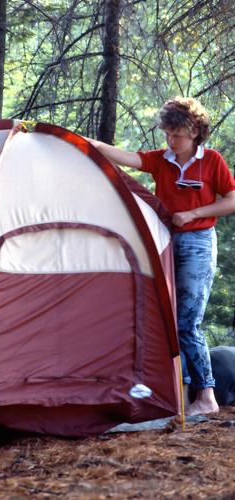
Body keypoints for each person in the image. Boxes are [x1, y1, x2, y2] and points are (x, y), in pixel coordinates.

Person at [87, 97, 235, 416]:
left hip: (198, 242)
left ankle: (206, 397)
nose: (171, 140)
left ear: (194, 131)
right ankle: (174, 392)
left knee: (188, 322)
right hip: (164, 242)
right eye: (167, 133)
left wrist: (194, 212)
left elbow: (231, 199)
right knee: (163, 316)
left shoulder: (211, 161)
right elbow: (125, 157)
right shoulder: (160, 159)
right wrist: (84, 142)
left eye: (177, 134)